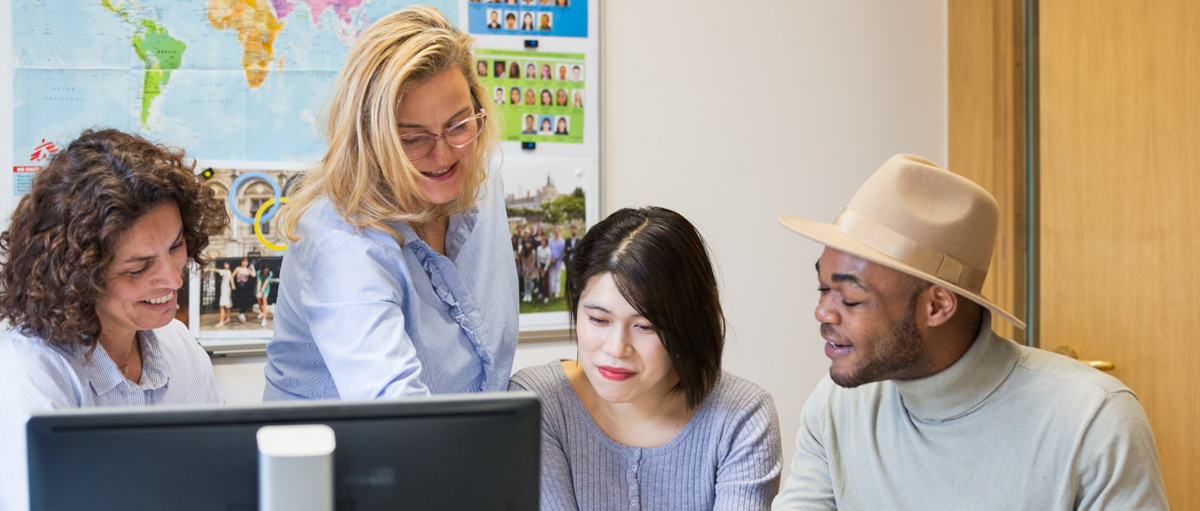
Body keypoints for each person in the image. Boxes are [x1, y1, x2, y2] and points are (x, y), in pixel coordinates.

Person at [772, 154, 1169, 510]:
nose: (822, 311)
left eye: (851, 299)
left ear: (938, 306)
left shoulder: (1093, 418)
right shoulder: (836, 407)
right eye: (824, 288)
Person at [264, 6, 519, 401]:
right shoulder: (339, 238)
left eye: (458, 124)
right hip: (351, 460)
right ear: (370, 139)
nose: (444, 156)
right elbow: (397, 414)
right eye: (413, 139)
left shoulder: (478, 177)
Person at [0, 128, 228, 511]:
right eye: (138, 269)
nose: (173, 279)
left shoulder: (180, 346)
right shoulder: (29, 372)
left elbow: (222, 481)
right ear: (78, 276)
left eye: (175, 247)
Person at [510, 206, 782, 510]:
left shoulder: (742, 415)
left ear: (688, 324)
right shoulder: (536, 403)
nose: (616, 348)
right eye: (599, 320)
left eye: (645, 326)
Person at [204, 261, 234, 327]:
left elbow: (216, 270)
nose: (225, 264)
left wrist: (207, 269)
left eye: (227, 263)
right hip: (227, 289)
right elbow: (231, 279)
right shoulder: (229, 272)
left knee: (222, 306)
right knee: (227, 304)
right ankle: (228, 318)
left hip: (225, 290)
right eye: (225, 263)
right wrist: (233, 285)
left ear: (229, 265)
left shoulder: (226, 271)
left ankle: (221, 322)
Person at [231, 257, 256, 323]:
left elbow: (254, 275)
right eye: (243, 261)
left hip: (246, 286)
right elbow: (232, 276)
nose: (245, 263)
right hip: (239, 286)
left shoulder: (248, 270)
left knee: (247, 300)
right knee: (244, 298)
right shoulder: (238, 268)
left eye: (246, 262)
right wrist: (232, 285)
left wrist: (252, 267)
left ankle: (241, 313)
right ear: (241, 262)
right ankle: (241, 313)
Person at [547, 227, 565, 298]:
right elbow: (548, 249)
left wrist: (556, 258)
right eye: (555, 232)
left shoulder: (562, 241)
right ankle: (551, 291)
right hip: (550, 260)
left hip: (558, 261)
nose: (556, 233)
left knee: (557, 277)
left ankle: (557, 292)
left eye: (557, 232)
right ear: (553, 233)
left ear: (559, 232)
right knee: (551, 277)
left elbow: (561, 252)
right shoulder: (550, 240)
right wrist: (551, 258)